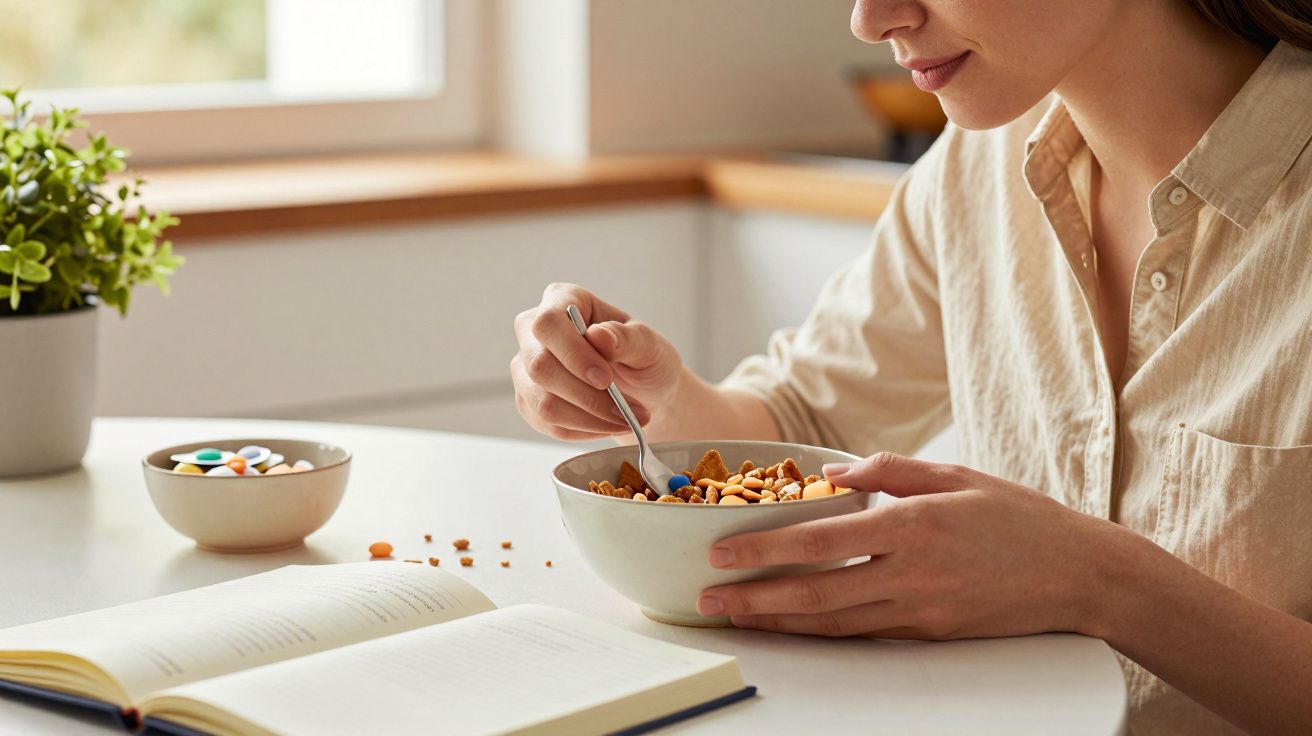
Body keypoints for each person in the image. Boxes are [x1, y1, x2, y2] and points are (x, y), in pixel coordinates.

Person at [511, 1, 1312, 733]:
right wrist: (655, 396)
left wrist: (1100, 582)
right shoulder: (979, 166)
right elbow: (803, 424)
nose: (869, 18)